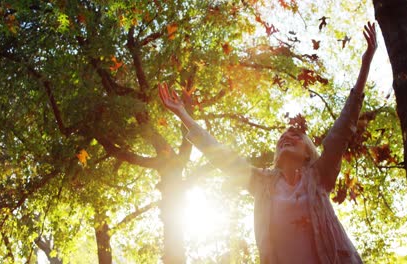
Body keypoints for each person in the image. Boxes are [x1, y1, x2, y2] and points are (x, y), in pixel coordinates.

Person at [159, 22, 377, 264]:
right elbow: (220, 155)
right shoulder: (261, 183)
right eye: (282, 137)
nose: (286, 137)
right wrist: (183, 114)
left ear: (307, 153)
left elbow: (340, 133)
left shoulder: (318, 176)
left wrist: (366, 64)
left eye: (295, 136)